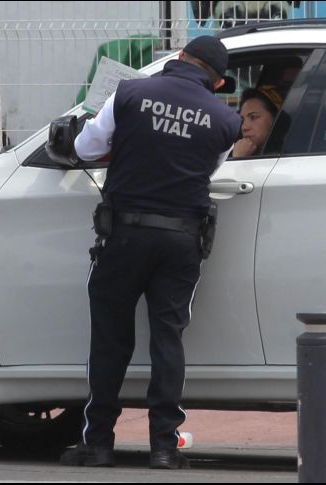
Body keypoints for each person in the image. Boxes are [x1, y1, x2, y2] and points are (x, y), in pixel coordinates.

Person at [60, 36, 242, 470]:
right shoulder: (225, 120)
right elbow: (207, 168)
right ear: (216, 83)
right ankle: (163, 446)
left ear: (179, 58)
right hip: (182, 240)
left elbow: (84, 148)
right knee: (168, 340)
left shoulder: (130, 92)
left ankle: (98, 443)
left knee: (110, 340)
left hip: (124, 236)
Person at [232, 86, 283, 158]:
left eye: (253, 117)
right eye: (242, 120)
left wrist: (238, 158)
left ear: (275, 118)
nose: (244, 127)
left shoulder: (280, 157)